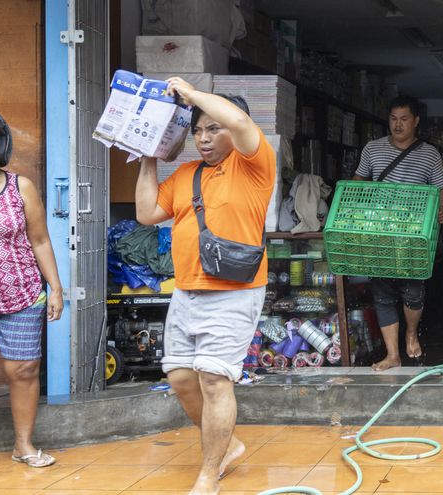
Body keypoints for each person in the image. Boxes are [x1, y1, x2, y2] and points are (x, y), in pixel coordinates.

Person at [134, 79, 275, 495]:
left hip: (234, 290)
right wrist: (149, 157)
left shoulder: (254, 165)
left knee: (214, 379)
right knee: (180, 378)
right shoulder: (185, 174)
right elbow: (145, 213)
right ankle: (228, 446)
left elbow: (237, 117)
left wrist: (191, 95)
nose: (204, 137)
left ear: (234, 130)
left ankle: (208, 473)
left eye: (213, 129)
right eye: (198, 130)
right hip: (188, 289)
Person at [353, 95, 443, 371]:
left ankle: (411, 332)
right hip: (379, 231)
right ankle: (392, 355)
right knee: (382, 293)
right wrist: (353, 207)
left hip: (413, 234)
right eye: (393, 119)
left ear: (416, 121)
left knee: (413, 292)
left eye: (404, 119)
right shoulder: (372, 149)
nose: (398, 125)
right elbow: (358, 182)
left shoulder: (430, 154)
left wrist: (442, 208)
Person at [0, 112, 64, 467]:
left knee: (22, 370)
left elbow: (39, 240)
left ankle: (23, 445)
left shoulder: (20, 186)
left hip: (21, 292)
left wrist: (55, 288)